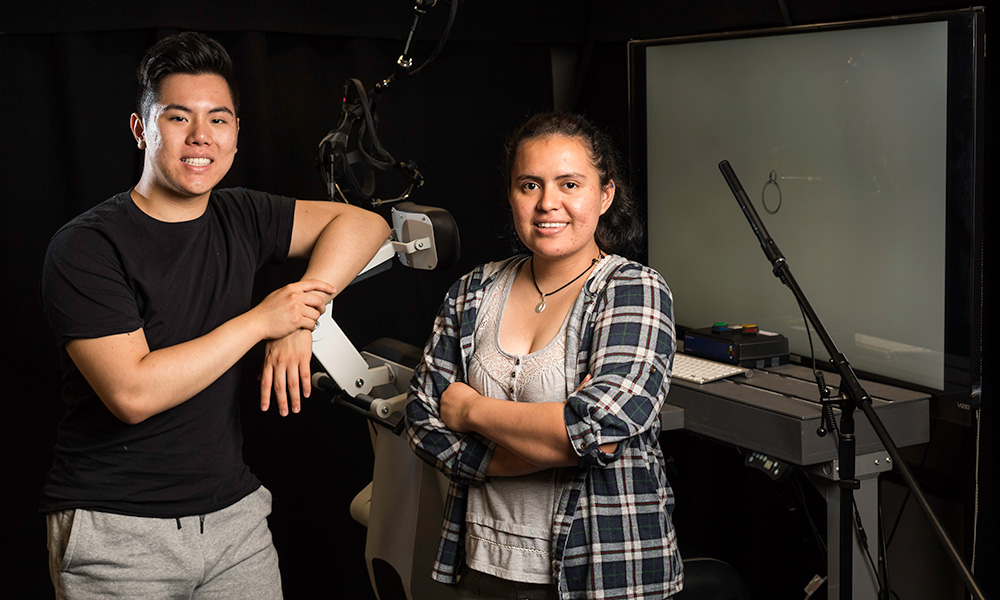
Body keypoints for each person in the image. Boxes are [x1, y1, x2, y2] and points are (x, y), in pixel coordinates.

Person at [39, 31, 390, 599]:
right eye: (178, 118)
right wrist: (262, 322)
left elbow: (365, 225)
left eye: (218, 120)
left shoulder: (242, 213)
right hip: (117, 531)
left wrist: (303, 314)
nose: (200, 137)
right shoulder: (88, 246)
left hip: (234, 524)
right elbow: (132, 393)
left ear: (233, 137)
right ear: (141, 130)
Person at [405, 112, 683, 599]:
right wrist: (553, 439)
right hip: (484, 565)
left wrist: (470, 410)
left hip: (600, 572)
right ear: (511, 194)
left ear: (605, 195)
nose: (547, 203)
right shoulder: (474, 291)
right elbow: (423, 422)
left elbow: (595, 429)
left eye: (569, 184)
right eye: (529, 185)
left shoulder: (633, 289)